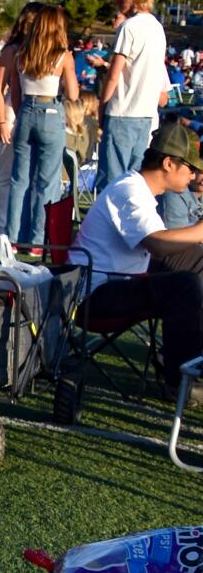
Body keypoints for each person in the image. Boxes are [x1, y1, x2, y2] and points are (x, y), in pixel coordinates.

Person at [68, 124, 203, 401]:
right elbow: (157, 243)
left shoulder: (138, 189)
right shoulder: (129, 191)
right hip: (95, 292)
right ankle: (179, 383)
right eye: (190, 167)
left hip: (121, 277)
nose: (194, 175)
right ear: (168, 163)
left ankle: (192, 361)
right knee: (184, 285)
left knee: (195, 265)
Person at [4, 4, 79, 247]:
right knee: (47, 181)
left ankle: (13, 237)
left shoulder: (22, 53)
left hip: (26, 110)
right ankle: (38, 241)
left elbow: (14, 92)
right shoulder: (63, 55)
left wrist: (21, 115)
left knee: (20, 179)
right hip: (50, 110)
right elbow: (74, 93)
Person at [96, 0, 169, 191]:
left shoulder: (129, 28)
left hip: (122, 112)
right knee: (135, 185)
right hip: (145, 114)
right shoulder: (157, 28)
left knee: (112, 183)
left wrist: (102, 107)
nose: (116, 3)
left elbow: (114, 73)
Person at [0, 3, 45, 241]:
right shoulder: (12, 50)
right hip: (14, 111)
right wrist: (2, 122)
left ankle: (21, 225)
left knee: (30, 174)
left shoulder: (44, 49)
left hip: (35, 112)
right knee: (6, 172)